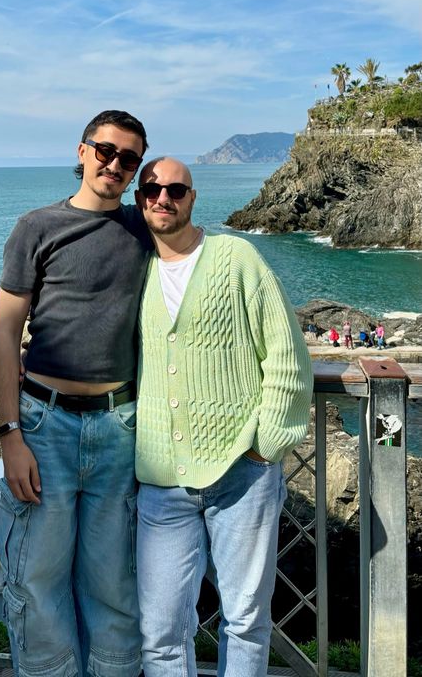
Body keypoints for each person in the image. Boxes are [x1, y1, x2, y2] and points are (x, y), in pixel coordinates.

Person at [133, 158, 313, 677]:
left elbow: (285, 353)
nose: (163, 198)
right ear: (140, 197)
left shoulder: (237, 257)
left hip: (242, 471)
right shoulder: (134, 268)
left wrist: (267, 443)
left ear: (192, 197)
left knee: (246, 619)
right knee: (162, 631)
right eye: (152, 189)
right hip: (160, 479)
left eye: (175, 190)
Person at [0, 109, 152, 677]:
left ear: (137, 171)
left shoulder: (145, 228)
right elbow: (6, 332)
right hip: (43, 423)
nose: (115, 164)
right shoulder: (36, 227)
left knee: (115, 584)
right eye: (105, 151)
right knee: (36, 581)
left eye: (128, 159)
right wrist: (9, 433)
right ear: (82, 151)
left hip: (121, 427)